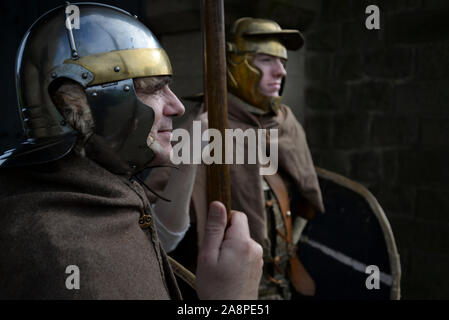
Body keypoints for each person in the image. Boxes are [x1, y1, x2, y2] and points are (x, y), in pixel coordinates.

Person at [0, 3, 262, 300]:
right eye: (153, 88)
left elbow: (158, 235)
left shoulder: (95, 193)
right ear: (75, 105)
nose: (176, 106)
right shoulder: (68, 255)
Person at [159, 17, 326, 300]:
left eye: (283, 62)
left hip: (282, 282)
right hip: (230, 287)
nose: (281, 71)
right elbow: (163, 224)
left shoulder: (286, 125)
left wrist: (290, 246)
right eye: (265, 60)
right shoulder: (205, 128)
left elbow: (306, 201)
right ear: (235, 64)